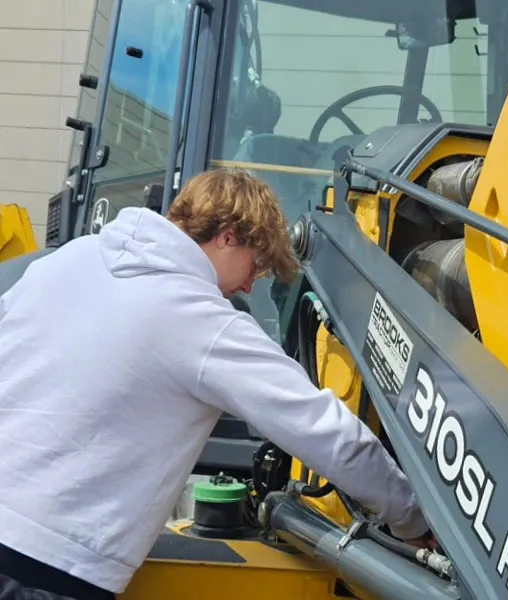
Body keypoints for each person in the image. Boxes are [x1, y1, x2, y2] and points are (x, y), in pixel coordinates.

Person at [0, 169, 432, 599]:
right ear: (227, 236)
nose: (248, 284)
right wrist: (411, 517)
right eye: (255, 265)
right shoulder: (199, 319)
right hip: (51, 562)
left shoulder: (68, 259)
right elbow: (324, 430)